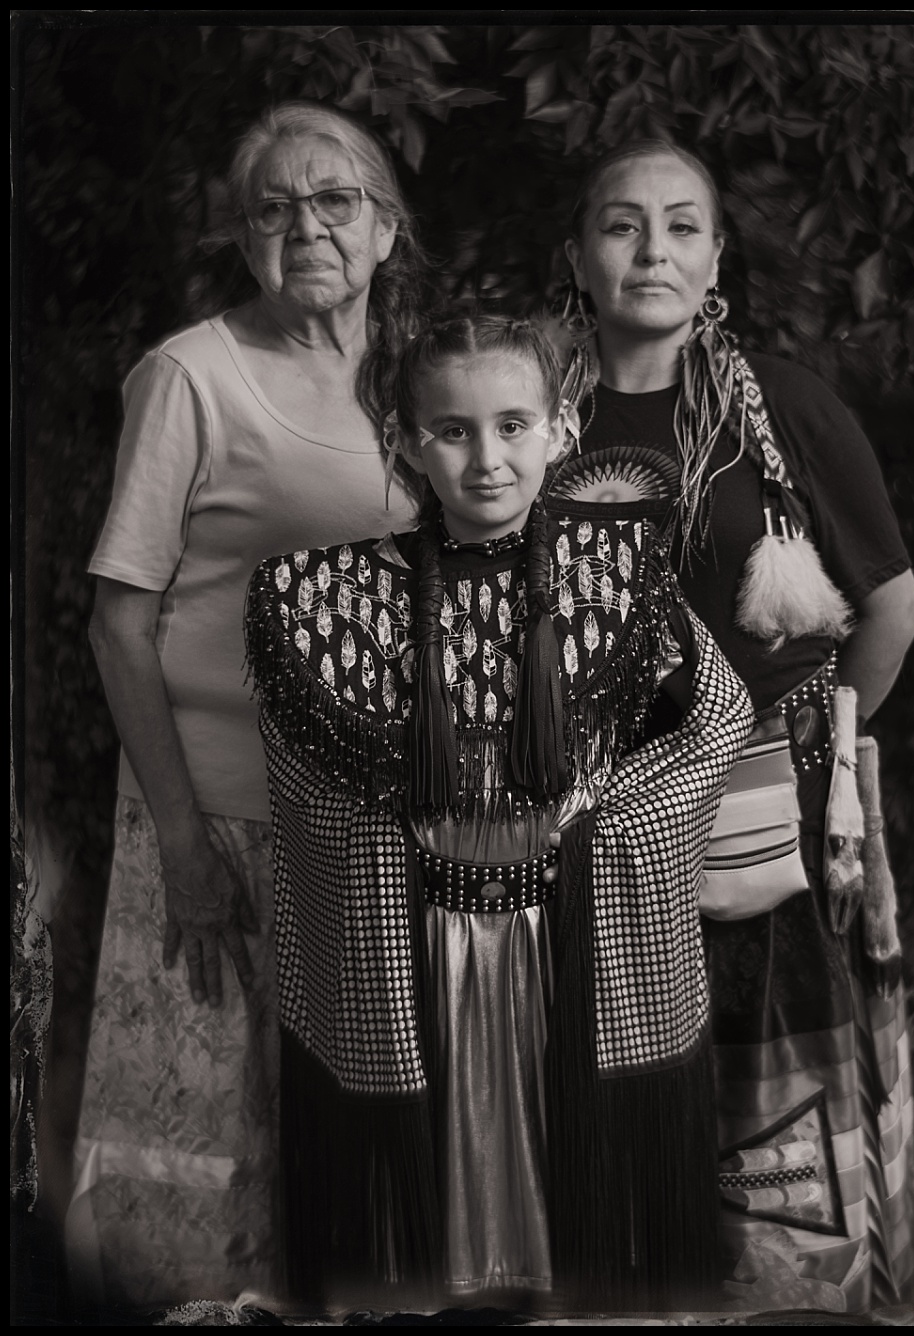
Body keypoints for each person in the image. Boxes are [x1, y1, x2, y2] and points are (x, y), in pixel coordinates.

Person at [244, 313, 753, 1315]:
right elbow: (297, 770)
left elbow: (722, 712)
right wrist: (396, 843)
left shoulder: (620, 574)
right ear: (404, 441)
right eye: (454, 431)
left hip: (576, 942)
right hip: (416, 948)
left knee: (586, 1255)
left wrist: (601, 820)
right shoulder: (325, 595)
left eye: (514, 425)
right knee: (420, 1262)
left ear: (561, 428)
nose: (488, 459)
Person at [549, 140, 914, 1312]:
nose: (651, 250)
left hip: (774, 859)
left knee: (780, 1177)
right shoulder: (527, 417)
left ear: (718, 257)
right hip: (591, 848)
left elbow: (894, 612)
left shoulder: (788, 411)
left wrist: (787, 757)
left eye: (679, 226)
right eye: (622, 225)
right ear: (578, 256)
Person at [65, 101, 421, 1310]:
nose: (305, 226)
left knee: (351, 1154)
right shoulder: (189, 376)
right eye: (272, 208)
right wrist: (179, 840)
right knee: (204, 1144)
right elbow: (119, 619)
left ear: (386, 227)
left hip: (377, 831)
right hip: (217, 814)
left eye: (334, 202)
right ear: (243, 238)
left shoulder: (421, 384)